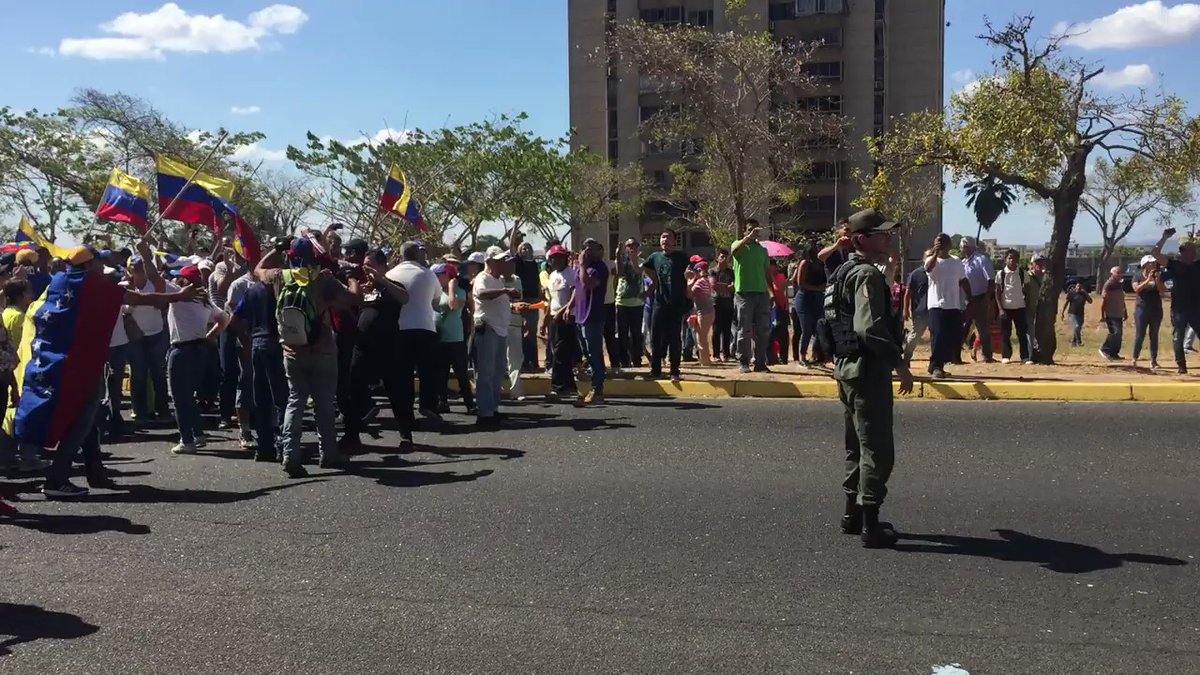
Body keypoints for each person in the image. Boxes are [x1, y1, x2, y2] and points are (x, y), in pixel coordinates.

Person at [39, 244, 204, 498]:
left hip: (67, 362)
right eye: (98, 263)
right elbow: (140, 298)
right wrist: (178, 296)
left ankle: (94, 471)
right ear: (88, 265)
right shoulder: (92, 287)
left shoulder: (61, 283)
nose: (101, 268)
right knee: (82, 421)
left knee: (90, 420)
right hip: (82, 366)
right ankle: (56, 479)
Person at [828, 210, 914, 549]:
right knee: (876, 447)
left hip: (846, 368)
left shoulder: (841, 272)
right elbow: (868, 328)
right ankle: (871, 524)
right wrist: (898, 362)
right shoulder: (865, 275)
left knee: (855, 445)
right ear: (862, 240)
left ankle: (852, 515)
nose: (888, 239)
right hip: (867, 371)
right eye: (881, 234)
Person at [254, 238, 360, 477]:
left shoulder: (279, 276)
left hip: (291, 350)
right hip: (322, 350)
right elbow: (353, 300)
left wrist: (276, 249)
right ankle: (329, 454)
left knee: (295, 401)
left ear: (288, 256)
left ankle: (290, 454)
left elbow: (257, 269)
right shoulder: (323, 280)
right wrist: (351, 276)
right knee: (323, 403)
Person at [155, 262, 230, 455]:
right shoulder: (204, 300)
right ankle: (198, 433)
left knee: (180, 398)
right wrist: (210, 336)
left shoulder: (179, 294)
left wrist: (147, 255)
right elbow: (224, 319)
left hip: (181, 350)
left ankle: (187, 440)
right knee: (188, 396)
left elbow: (154, 278)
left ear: (184, 280)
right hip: (199, 350)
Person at [341, 249, 410, 452]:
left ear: (382, 266)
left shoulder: (392, 286)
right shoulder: (363, 288)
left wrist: (382, 280)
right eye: (364, 264)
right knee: (354, 390)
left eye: (370, 264)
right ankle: (351, 436)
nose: (366, 268)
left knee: (397, 392)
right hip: (363, 346)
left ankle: (406, 436)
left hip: (389, 346)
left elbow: (405, 298)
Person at [385, 241, 443, 440]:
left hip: (399, 329)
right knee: (428, 370)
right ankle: (427, 403)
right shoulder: (428, 274)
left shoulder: (390, 274)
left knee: (403, 376)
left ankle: (406, 415)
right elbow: (437, 299)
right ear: (417, 254)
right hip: (425, 326)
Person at [232, 265, 288, 462]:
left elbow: (235, 318)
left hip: (257, 342)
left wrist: (245, 339)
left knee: (262, 398)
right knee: (282, 399)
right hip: (276, 343)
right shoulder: (282, 289)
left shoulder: (252, 290)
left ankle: (264, 447)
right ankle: (283, 446)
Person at [473, 246, 519, 429]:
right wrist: (505, 291)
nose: (502, 264)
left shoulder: (498, 280)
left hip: (501, 329)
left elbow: (501, 303)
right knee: (486, 372)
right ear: (489, 261)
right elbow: (482, 295)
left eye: (503, 260)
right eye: (499, 260)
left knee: (498, 372)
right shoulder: (482, 278)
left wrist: (515, 304)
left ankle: (492, 409)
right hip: (488, 328)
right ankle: (484, 414)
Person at [124, 253, 171, 425]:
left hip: (156, 334)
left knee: (159, 374)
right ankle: (140, 413)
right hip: (135, 338)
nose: (137, 272)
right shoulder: (124, 286)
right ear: (129, 270)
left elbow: (164, 303)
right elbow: (123, 311)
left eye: (141, 268)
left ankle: (163, 411)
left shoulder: (155, 285)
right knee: (138, 375)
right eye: (134, 269)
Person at [642, 229, 690, 382]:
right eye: (663, 237)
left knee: (674, 338)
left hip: (676, 303)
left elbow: (692, 272)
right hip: (659, 303)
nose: (665, 240)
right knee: (656, 337)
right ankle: (656, 369)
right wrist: (654, 280)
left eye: (669, 237)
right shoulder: (655, 257)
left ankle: (674, 371)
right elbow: (644, 267)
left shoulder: (682, 258)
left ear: (674, 241)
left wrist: (689, 278)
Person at [1151, 230, 1200, 374]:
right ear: (1184, 252)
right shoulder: (1174, 265)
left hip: (1196, 308)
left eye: (1195, 249)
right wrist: (1164, 238)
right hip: (1179, 309)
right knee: (1178, 337)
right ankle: (1181, 366)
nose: (1194, 252)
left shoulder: (1198, 266)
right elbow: (1155, 253)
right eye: (1191, 250)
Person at [730, 219, 773, 373]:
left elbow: (767, 273)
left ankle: (760, 362)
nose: (754, 231)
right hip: (744, 294)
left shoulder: (762, 250)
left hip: (761, 294)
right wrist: (748, 238)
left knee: (763, 329)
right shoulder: (738, 245)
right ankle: (744, 362)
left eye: (756, 229)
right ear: (744, 231)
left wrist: (772, 292)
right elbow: (734, 252)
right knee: (745, 329)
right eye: (750, 229)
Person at [923, 234, 968, 379]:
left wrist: (970, 298)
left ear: (950, 245)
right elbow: (928, 269)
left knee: (953, 336)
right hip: (936, 305)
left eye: (943, 242)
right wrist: (936, 253)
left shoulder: (956, 261)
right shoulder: (931, 260)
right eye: (937, 242)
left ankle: (937, 365)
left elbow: (963, 280)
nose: (940, 244)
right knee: (939, 336)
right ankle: (936, 366)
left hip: (953, 305)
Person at [434, 262, 475, 414]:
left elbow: (453, 305)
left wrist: (452, 287)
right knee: (441, 374)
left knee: (461, 374)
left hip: (455, 339)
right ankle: (442, 402)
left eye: (440, 275)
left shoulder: (459, 291)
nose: (437, 278)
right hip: (440, 338)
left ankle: (469, 403)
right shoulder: (437, 291)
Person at [546, 245, 578, 397]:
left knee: (560, 352)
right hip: (553, 316)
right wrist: (547, 317)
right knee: (558, 351)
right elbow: (551, 299)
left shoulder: (571, 274)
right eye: (554, 257)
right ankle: (569, 385)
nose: (557, 260)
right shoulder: (552, 275)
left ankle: (557, 386)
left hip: (566, 317)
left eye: (560, 257)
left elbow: (575, 295)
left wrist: (564, 310)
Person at [509, 230, 543, 372]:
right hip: (521, 301)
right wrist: (515, 227)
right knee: (522, 333)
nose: (525, 249)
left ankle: (533, 362)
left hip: (533, 302)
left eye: (528, 247)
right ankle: (522, 362)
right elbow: (510, 246)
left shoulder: (535, 264)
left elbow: (537, 282)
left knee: (532, 333)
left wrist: (541, 295)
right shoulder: (518, 263)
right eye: (523, 248)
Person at [960, 237, 996, 363]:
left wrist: (986, 298)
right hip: (965, 299)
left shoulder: (981, 260)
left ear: (969, 247)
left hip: (980, 297)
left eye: (963, 246)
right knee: (962, 326)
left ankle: (987, 355)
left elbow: (991, 281)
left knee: (983, 328)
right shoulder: (963, 262)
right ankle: (955, 354)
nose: (961, 249)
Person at [994, 249, 1032, 364]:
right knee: (1006, 333)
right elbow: (997, 292)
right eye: (1009, 258)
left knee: (1022, 333)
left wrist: (1025, 300)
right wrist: (1000, 309)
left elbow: (1027, 289)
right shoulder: (1001, 274)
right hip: (1006, 307)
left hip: (1020, 307)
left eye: (1014, 258)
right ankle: (1006, 356)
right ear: (1006, 260)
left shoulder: (1022, 273)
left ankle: (1025, 356)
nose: (1012, 260)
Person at [791, 241, 825, 367]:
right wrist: (817, 288)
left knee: (819, 327)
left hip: (817, 298)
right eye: (816, 247)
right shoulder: (805, 263)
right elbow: (800, 283)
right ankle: (802, 356)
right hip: (804, 298)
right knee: (807, 328)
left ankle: (816, 354)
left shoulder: (820, 263)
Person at [1131, 254, 1165, 369]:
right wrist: (1148, 280)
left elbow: (1163, 290)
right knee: (1140, 335)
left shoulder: (1158, 275)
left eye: (1154, 262)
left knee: (1154, 335)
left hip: (1155, 309)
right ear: (1145, 264)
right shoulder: (1137, 276)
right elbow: (1137, 289)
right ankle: (1134, 359)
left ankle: (1154, 361)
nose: (1154, 264)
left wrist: (1158, 280)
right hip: (1142, 309)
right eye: (1151, 263)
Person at [614, 238, 644, 369]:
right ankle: (624, 361)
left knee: (636, 334)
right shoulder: (620, 261)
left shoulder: (643, 262)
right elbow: (620, 273)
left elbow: (638, 271)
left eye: (634, 245)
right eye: (628, 246)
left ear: (638, 248)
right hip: (622, 303)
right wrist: (618, 255)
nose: (631, 247)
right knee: (622, 334)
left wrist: (633, 258)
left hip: (637, 303)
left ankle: (636, 359)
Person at [501, 255, 527, 400]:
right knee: (499, 358)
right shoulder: (498, 281)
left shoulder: (517, 280)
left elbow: (520, 300)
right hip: (500, 324)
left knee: (516, 358)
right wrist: (511, 305)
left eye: (513, 265)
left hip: (516, 324)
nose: (511, 267)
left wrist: (524, 319)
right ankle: (496, 389)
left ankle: (516, 391)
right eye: (508, 264)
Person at [686, 261, 715, 366]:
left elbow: (689, 294)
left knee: (701, 338)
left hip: (704, 312)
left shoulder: (700, 282)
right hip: (706, 312)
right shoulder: (705, 280)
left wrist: (689, 282)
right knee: (703, 337)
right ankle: (705, 359)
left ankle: (705, 361)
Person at [710, 249, 736, 362]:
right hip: (716, 303)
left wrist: (727, 286)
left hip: (728, 304)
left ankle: (726, 354)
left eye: (726, 257)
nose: (724, 259)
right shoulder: (713, 271)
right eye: (722, 257)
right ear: (717, 259)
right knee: (716, 330)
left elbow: (734, 286)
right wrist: (727, 286)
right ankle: (716, 354)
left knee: (727, 330)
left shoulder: (731, 272)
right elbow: (714, 285)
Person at [902, 264, 930, 366]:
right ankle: (906, 357)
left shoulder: (937, 272)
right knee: (916, 334)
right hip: (920, 310)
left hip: (935, 309)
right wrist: (906, 309)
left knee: (937, 335)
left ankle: (936, 363)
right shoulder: (916, 274)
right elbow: (908, 293)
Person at [1099, 265, 1126, 362]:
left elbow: (1122, 299)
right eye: (1117, 273)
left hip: (1119, 313)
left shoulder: (1119, 284)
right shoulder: (1108, 284)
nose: (1120, 274)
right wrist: (1102, 315)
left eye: (1120, 272)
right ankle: (1105, 349)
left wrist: (1125, 311)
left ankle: (1114, 353)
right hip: (1111, 313)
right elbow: (1104, 301)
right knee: (1115, 332)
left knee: (1119, 335)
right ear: (1112, 273)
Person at [767, 259, 789, 365]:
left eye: (773, 266)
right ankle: (772, 357)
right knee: (771, 333)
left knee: (782, 333)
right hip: (770, 309)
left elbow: (780, 288)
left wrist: (772, 277)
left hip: (781, 307)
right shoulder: (764, 278)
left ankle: (783, 357)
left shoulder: (780, 276)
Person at [1061, 281, 1093, 347]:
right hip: (1072, 313)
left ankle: (1073, 342)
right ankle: (1079, 342)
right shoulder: (1071, 293)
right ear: (1075, 287)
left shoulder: (1083, 294)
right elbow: (1066, 303)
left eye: (1080, 287)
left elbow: (1090, 301)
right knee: (1076, 326)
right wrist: (1063, 312)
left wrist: (1085, 293)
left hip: (1080, 314)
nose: (1078, 288)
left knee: (1077, 329)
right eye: (1077, 286)